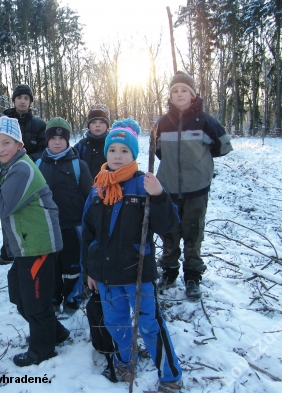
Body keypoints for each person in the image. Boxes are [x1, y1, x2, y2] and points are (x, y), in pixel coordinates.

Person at [82, 118, 183, 390]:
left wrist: (160, 195)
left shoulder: (144, 184)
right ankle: (127, 361)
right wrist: (89, 271)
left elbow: (167, 225)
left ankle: (170, 375)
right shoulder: (97, 188)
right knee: (117, 323)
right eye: (113, 149)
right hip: (105, 274)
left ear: (134, 154)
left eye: (124, 151)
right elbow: (89, 235)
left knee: (150, 324)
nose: (117, 155)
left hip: (138, 271)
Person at [0, 116, 69, 367]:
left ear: (19, 144)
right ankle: (55, 333)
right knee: (19, 294)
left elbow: (2, 206)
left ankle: (42, 349)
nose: (0, 149)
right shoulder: (10, 168)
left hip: (39, 247)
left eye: (6, 143)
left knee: (36, 302)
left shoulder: (23, 168)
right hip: (25, 247)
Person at [155, 71, 233, 300]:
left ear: (193, 94)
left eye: (184, 91)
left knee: (193, 234)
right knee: (169, 233)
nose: (179, 95)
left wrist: (200, 166)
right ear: (170, 95)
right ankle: (169, 272)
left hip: (196, 190)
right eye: (175, 91)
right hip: (168, 189)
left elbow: (223, 148)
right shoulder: (163, 123)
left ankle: (192, 276)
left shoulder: (206, 121)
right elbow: (159, 151)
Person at [36, 117, 92, 314]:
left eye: (61, 138)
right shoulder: (38, 165)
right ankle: (53, 299)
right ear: (47, 140)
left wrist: (89, 226)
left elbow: (89, 197)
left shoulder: (79, 166)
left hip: (72, 226)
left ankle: (72, 300)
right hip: (47, 228)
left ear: (68, 140)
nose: (57, 142)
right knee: (51, 267)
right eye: (53, 138)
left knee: (72, 267)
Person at [0, 83, 47, 264]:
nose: (22, 101)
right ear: (14, 100)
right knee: (7, 209)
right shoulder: (2, 122)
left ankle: (27, 246)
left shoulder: (39, 125)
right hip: (7, 173)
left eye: (26, 98)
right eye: (19, 98)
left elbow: (43, 150)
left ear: (31, 102)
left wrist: (27, 161)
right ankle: (7, 252)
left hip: (30, 174)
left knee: (27, 211)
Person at [74, 104, 111, 180]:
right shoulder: (81, 146)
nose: (97, 125)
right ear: (89, 125)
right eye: (94, 122)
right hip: (85, 190)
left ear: (107, 125)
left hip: (109, 189)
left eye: (101, 122)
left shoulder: (113, 144)